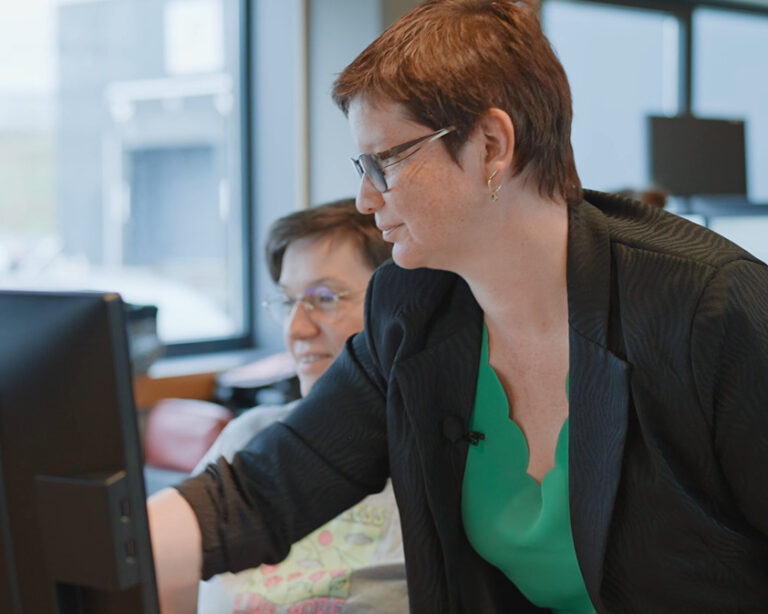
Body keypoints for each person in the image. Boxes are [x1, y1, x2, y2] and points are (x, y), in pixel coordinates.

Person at [149, 1, 768, 612]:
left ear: (492, 145)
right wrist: (108, 543)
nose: (365, 199)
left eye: (384, 162)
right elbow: (264, 490)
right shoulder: (412, 306)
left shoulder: (711, 309)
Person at [173, 198, 405, 613]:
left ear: (399, 309)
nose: (296, 329)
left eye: (326, 297)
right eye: (287, 302)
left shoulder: (429, 461)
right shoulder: (249, 434)